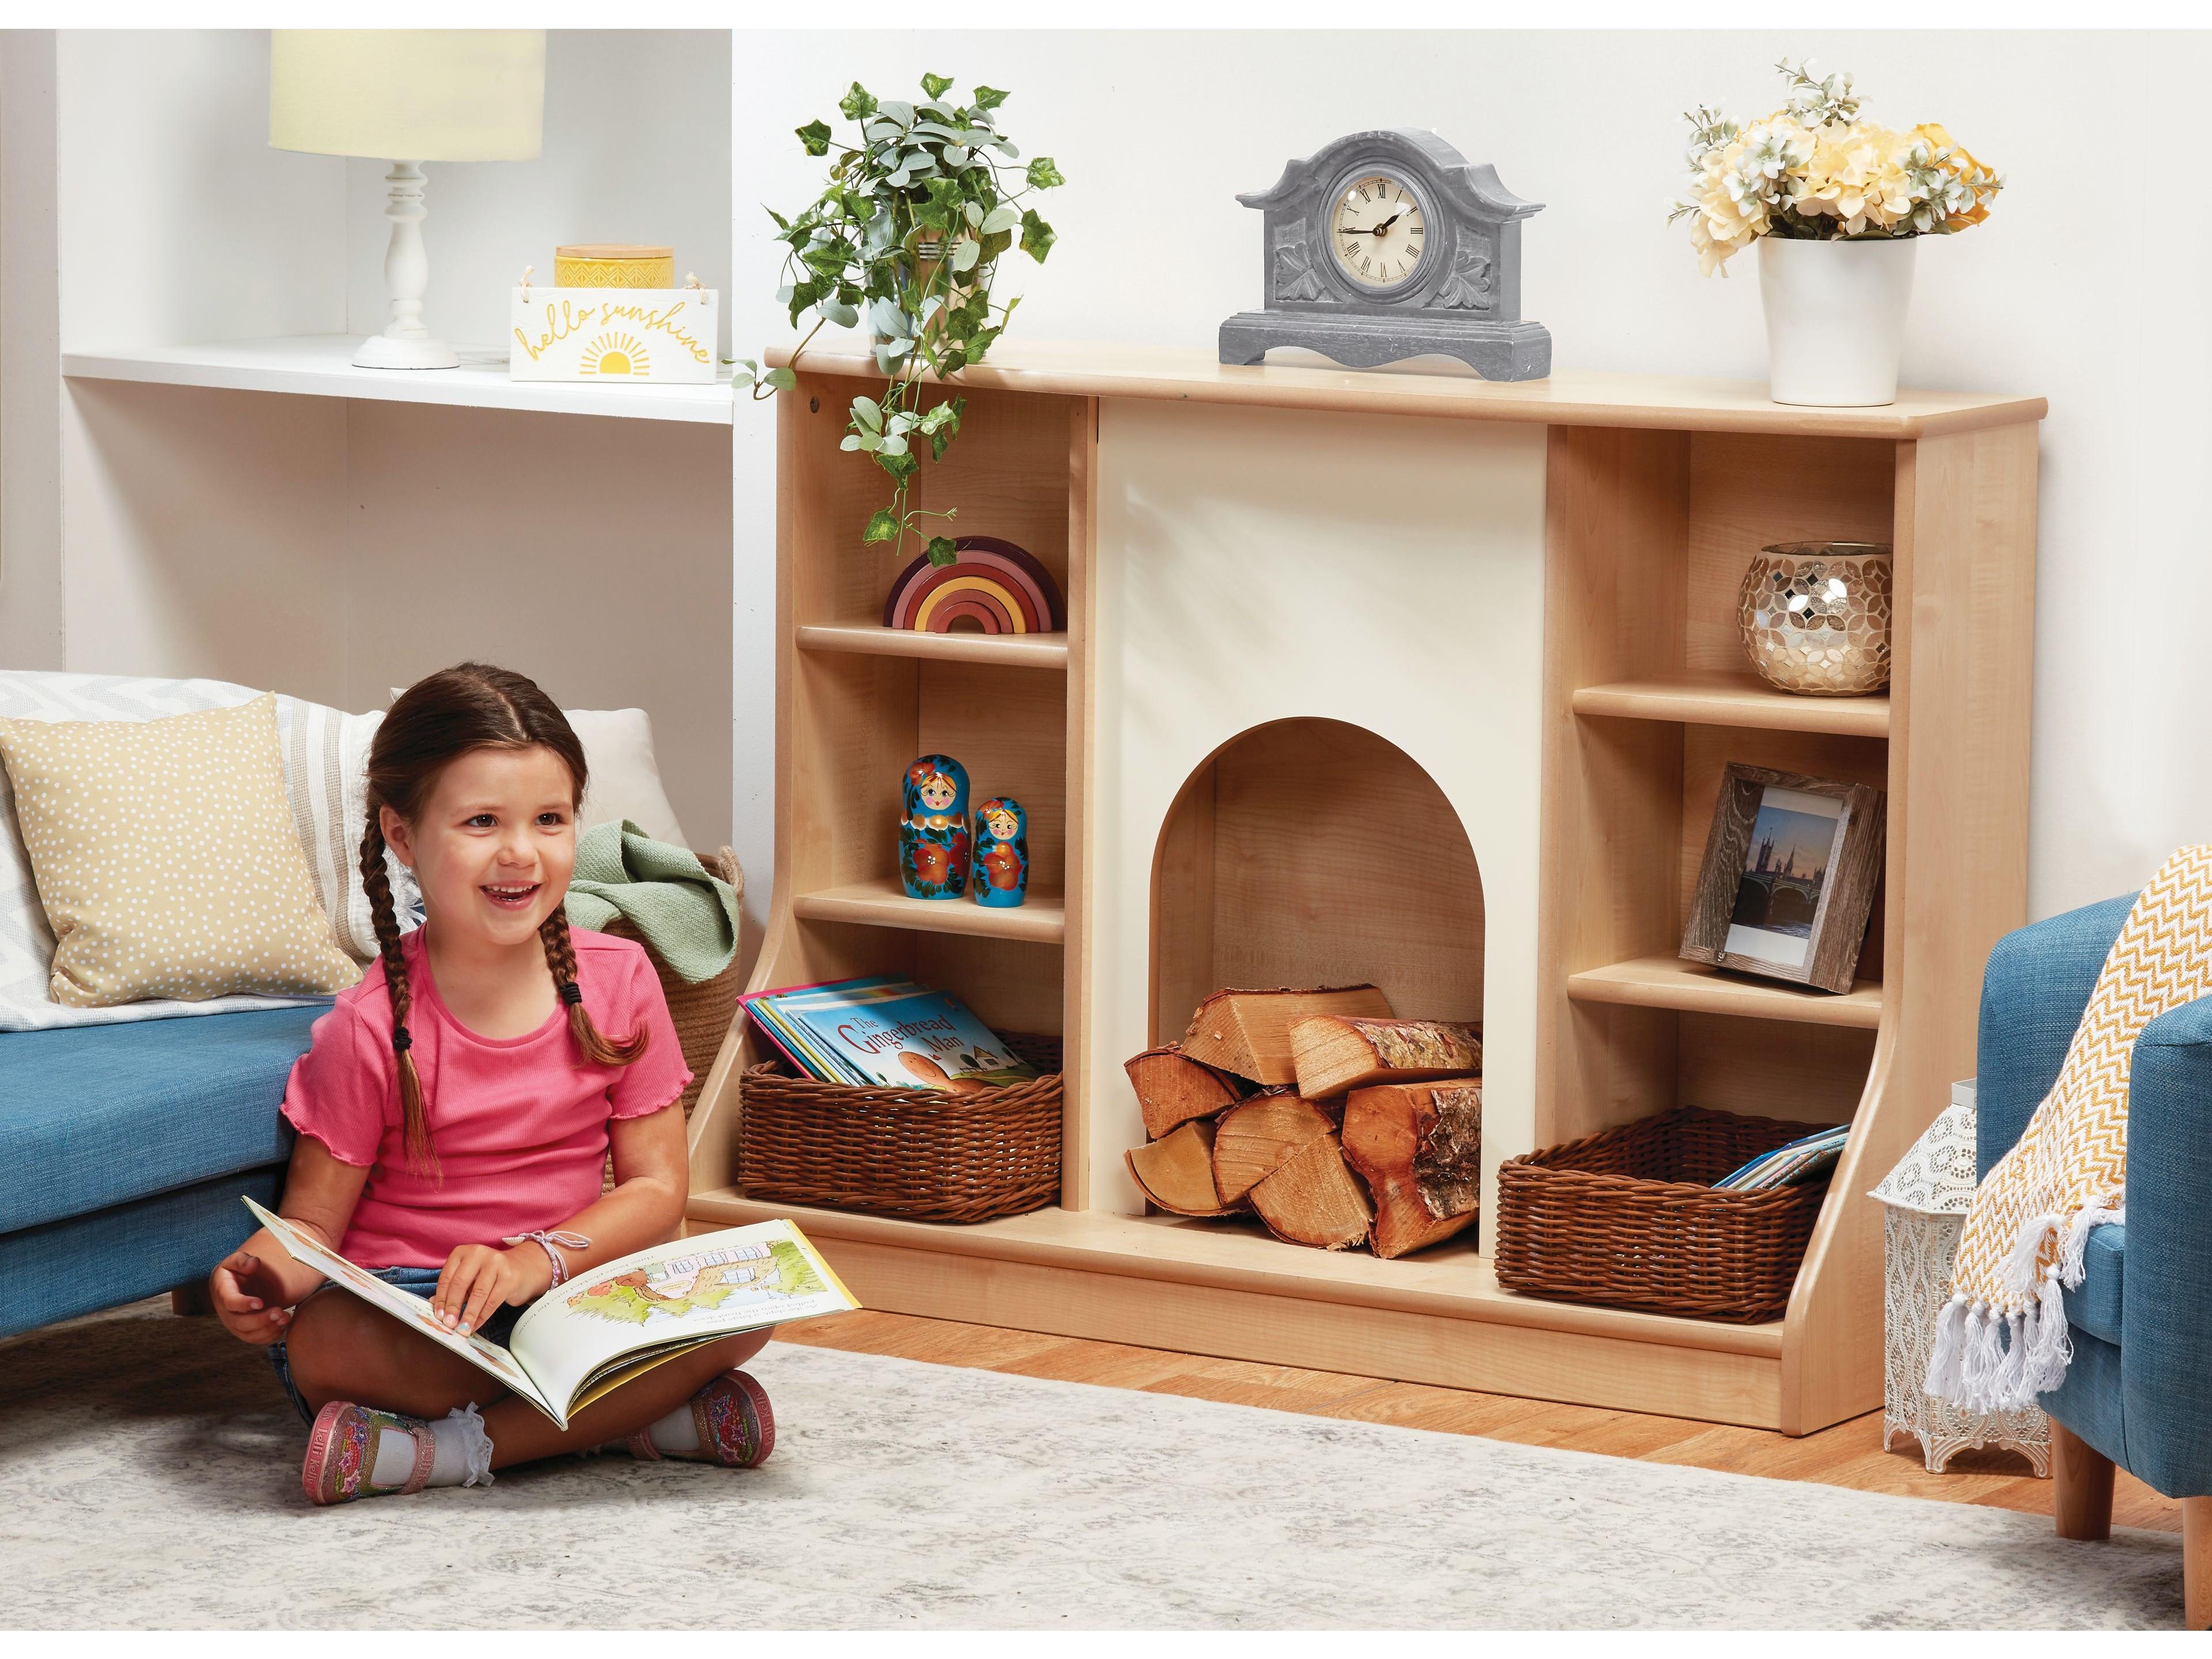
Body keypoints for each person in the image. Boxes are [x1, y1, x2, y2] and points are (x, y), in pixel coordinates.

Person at [208, 663, 770, 1505]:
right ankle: (630, 1421)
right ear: (403, 837)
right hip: (426, 1314)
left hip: (565, 1283)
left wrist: (531, 1264)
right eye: (481, 822)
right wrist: (258, 1280)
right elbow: (311, 1225)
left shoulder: (620, 979)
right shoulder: (368, 1025)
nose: (520, 853)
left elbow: (657, 1187)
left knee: (748, 1309)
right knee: (324, 1345)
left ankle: (438, 1453)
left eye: (549, 820)